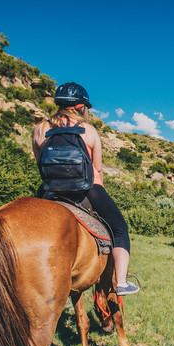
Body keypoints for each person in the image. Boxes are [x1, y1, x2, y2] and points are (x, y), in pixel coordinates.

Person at [32, 82, 140, 296]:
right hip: (86, 189)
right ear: (81, 106)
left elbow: (39, 164)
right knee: (120, 229)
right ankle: (120, 282)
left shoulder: (40, 129)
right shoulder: (88, 131)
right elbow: (97, 171)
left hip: (51, 190)